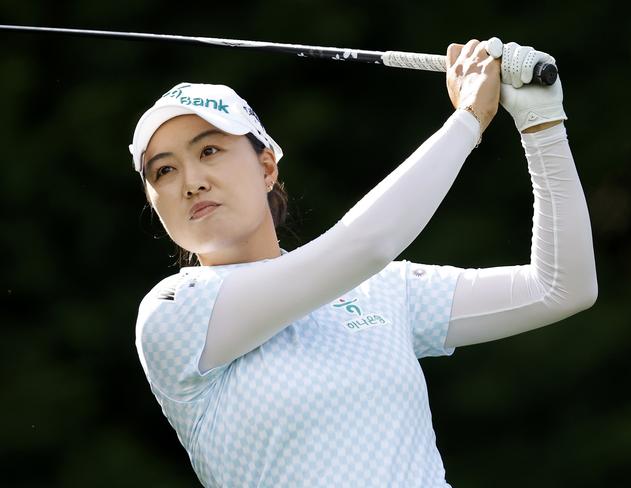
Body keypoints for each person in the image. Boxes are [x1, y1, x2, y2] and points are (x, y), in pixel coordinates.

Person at [131, 38, 597, 487]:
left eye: (209, 150)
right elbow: (365, 246)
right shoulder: (174, 311)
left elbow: (560, 289)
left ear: (267, 167)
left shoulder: (381, 289)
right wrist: (469, 119)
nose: (190, 182)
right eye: (163, 170)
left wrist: (542, 124)